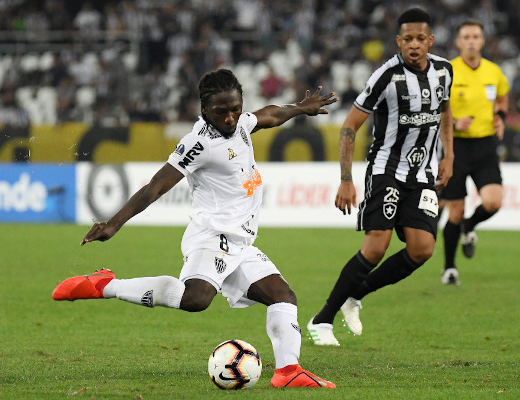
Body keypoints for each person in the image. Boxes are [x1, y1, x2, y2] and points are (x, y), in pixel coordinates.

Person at [52, 69, 338, 389]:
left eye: (235, 109)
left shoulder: (240, 124)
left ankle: (288, 372)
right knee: (195, 300)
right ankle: (106, 285)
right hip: (212, 237)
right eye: (221, 112)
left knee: (283, 296)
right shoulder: (199, 144)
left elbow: (269, 115)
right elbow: (157, 185)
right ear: (204, 109)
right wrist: (114, 224)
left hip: (240, 240)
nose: (230, 118)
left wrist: (301, 107)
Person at [306, 8, 454, 346]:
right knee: (376, 246)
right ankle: (322, 319)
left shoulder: (445, 71)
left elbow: (445, 113)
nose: (414, 45)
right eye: (408, 39)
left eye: (420, 39)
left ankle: (355, 295)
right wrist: (346, 179)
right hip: (386, 170)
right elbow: (349, 126)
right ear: (398, 41)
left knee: (423, 249)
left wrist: (449, 155)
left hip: (421, 174)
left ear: (429, 40)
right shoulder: (385, 77)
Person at [440, 19, 510, 286]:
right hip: (455, 147)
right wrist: (455, 123)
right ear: (458, 42)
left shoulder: (494, 72)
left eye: (476, 36)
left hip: (485, 145)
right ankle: (449, 268)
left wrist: (501, 115)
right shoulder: (447, 71)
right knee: (454, 211)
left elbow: (503, 97)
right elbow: (433, 108)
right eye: (466, 37)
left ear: (482, 41)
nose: (471, 41)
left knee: (493, 202)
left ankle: (470, 227)